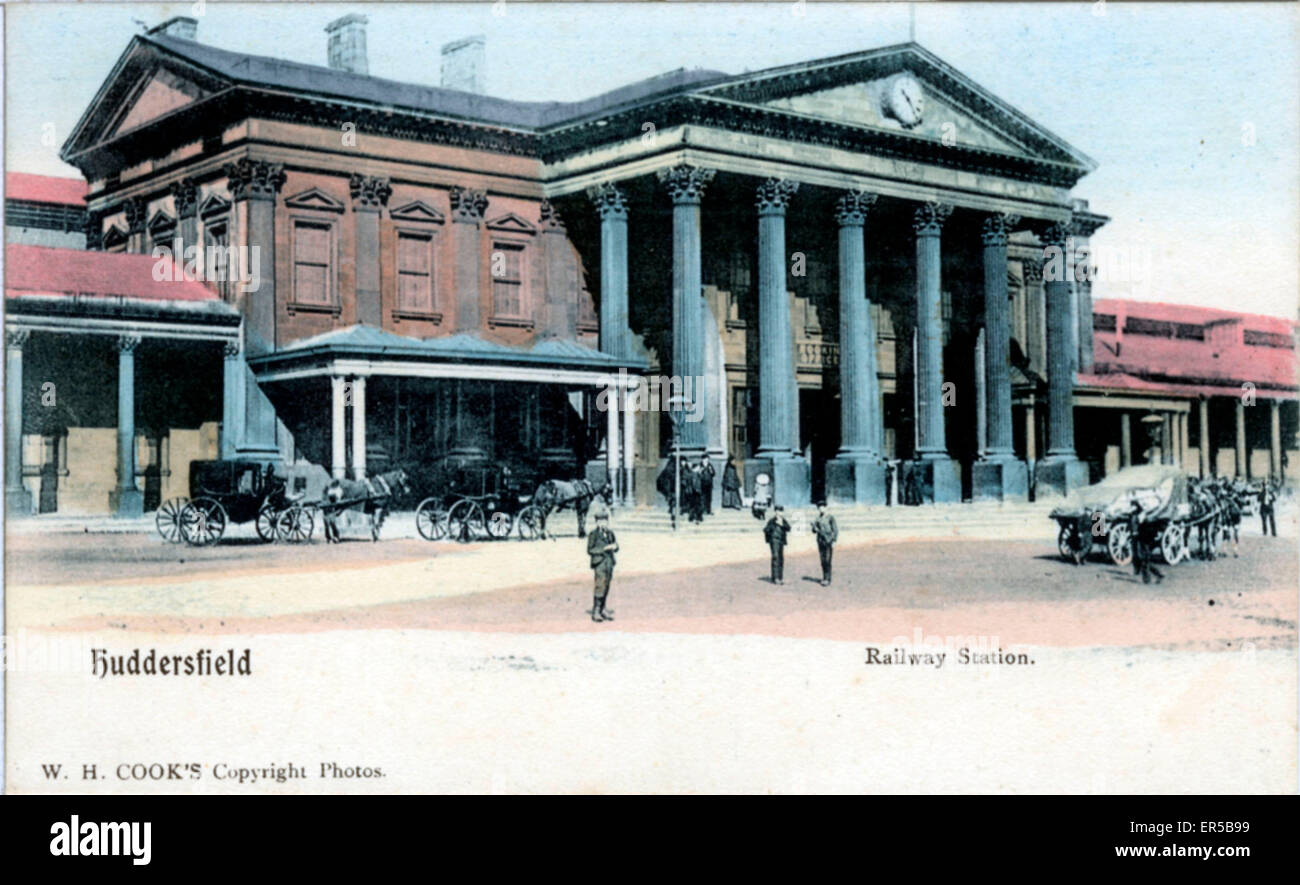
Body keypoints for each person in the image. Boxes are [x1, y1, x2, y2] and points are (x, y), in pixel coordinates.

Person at [586, 512, 619, 622]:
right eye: (601, 522)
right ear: (597, 522)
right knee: (600, 585)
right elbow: (590, 550)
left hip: (609, 562)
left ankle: (603, 608)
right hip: (599, 562)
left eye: (605, 522)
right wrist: (604, 549)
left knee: (607, 585)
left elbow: (616, 545)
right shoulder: (593, 534)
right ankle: (596, 611)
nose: (603, 524)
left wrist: (615, 547)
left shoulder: (610, 533)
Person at [1126, 499, 1163, 585]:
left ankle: (1149, 578)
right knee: (1143, 559)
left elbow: (1144, 528)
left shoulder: (1143, 517)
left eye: (1133, 506)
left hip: (1143, 539)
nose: (1131, 508)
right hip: (1138, 538)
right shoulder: (1134, 515)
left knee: (1144, 559)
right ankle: (1156, 575)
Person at [811, 502, 838, 585]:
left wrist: (834, 540)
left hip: (828, 541)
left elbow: (835, 530)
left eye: (822, 507)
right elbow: (814, 531)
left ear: (826, 508)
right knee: (822, 560)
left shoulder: (830, 517)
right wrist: (814, 528)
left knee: (827, 560)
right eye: (819, 508)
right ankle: (824, 577)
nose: (821, 509)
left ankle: (828, 578)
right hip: (820, 541)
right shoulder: (818, 518)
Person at [763, 505, 792, 584]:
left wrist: (782, 524)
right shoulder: (772, 521)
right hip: (774, 540)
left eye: (781, 511)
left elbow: (789, 528)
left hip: (781, 541)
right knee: (775, 557)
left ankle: (780, 576)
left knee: (781, 558)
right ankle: (775, 577)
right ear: (775, 512)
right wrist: (771, 530)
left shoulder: (783, 520)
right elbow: (766, 529)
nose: (779, 513)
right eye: (778, 511)